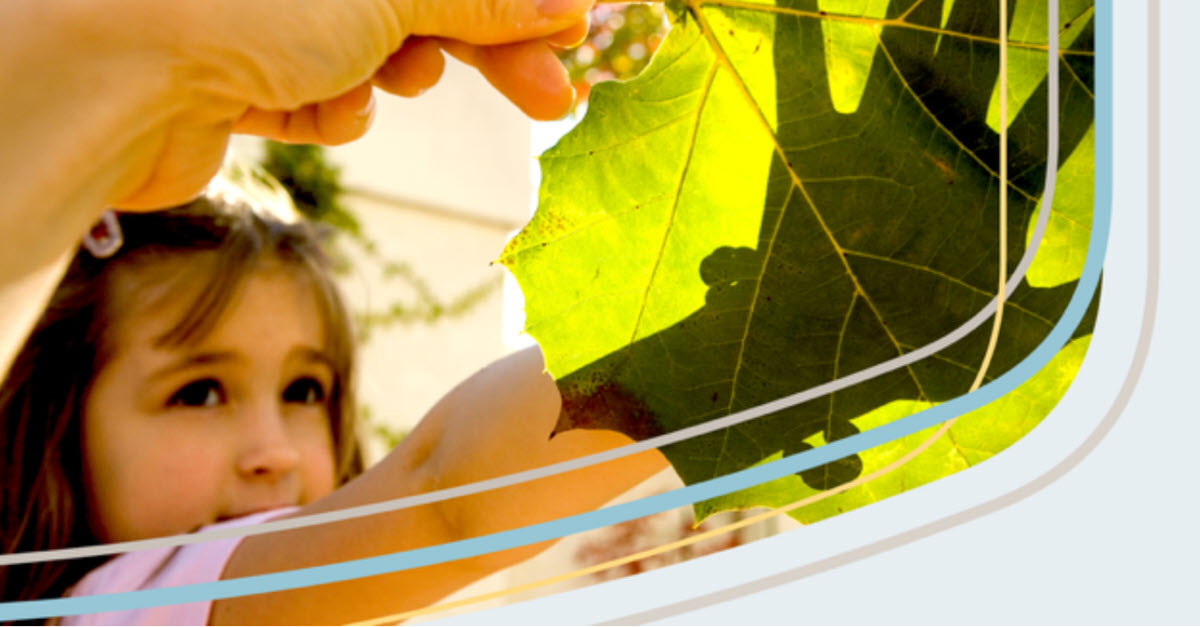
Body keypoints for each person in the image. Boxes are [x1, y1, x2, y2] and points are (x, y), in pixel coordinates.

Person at [0, 0, 668, 623]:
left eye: (304, 390)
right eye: (199, 392)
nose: (274, 451)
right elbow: (445, 492)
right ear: (57, 421)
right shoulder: (128, 605)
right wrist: (700, 326)